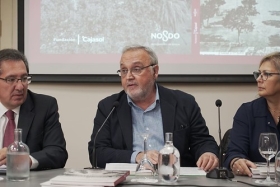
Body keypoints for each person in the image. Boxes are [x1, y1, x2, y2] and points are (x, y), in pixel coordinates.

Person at [88, 45, 219, 171]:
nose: (129, 76)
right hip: (128, 181)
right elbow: (97, 152)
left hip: (174, 179)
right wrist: (137, 156)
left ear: (155, 71)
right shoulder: (109, 107)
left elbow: (202, 141)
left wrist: (207, 153)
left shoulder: (184, 102)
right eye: (124, 70)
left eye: (137, 69)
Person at [0, 48, 68, 170]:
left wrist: (26, 160)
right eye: (11, 80)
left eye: (24, 78)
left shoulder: (44, 106)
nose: (20, 86)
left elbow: (58, 152)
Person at [224, 51, 280, 177]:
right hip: (254, 181)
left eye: (266, 74)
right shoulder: (247, 111)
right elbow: (234, 152)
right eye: (259, 74)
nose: (259, 79)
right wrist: (236, 161)